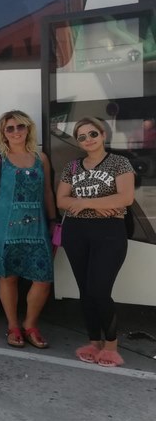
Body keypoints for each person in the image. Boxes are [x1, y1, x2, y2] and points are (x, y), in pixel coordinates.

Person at [56, 117, 135, 367]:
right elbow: (61, 200)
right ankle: (93, 342)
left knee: (100, 290)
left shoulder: (119, 162)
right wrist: (101, 204)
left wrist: (84, 203)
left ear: (103, 135)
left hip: (109, 232)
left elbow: (126, 198)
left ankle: (111, 347)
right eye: (82, 137)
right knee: (85, 290)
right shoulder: (72, 166)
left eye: (92, 134)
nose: (88, 140)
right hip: (76, 232)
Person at [0, 111, 56, 348]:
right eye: (10, 128)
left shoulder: (41, 157)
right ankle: (13, 325)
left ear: (28, 128)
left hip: (37, 227)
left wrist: (53, 220)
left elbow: (47, 191)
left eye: (20, 126)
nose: (16, 132)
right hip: (6, 227)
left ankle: (30, 324)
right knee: (9, 277)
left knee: (43, 278)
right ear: (3, 133)